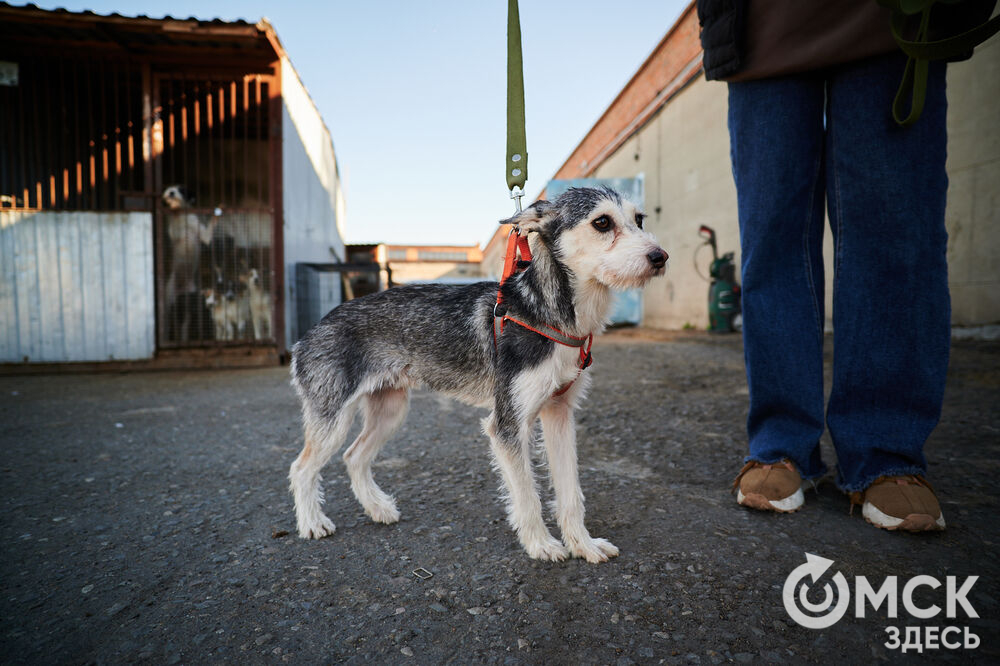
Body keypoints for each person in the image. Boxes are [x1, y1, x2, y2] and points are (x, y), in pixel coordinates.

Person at [697, 0, 954, 531]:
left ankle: (886, 452)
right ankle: (782, 443)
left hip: (891, 19)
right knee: (771, 242)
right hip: (760, 31)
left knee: (894, 234)